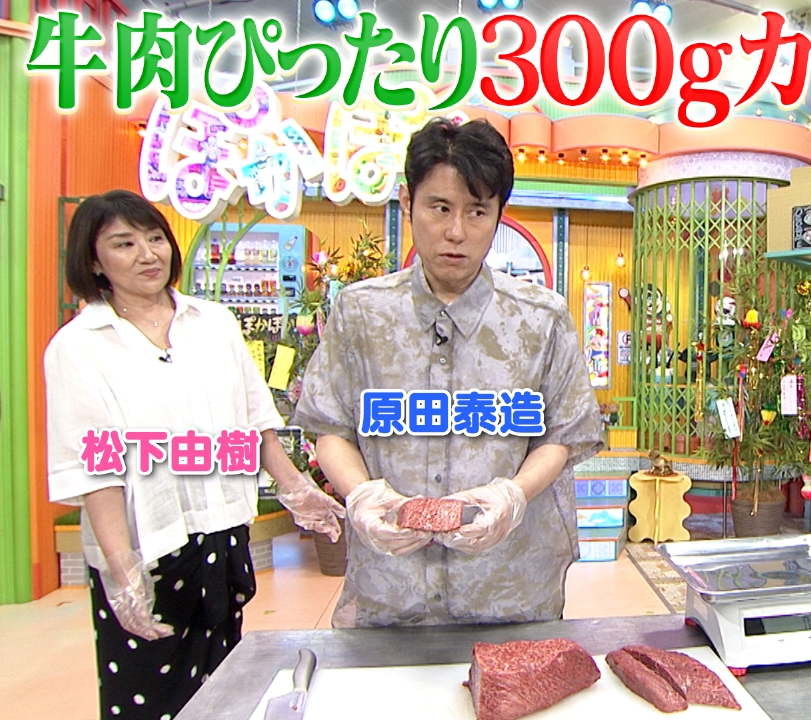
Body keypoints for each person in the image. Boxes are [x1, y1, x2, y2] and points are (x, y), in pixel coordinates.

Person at [45, 190, 344, 720]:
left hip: (218, 533)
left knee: (224, 688)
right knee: (149, 693)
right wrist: (122, 568)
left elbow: (253, 419)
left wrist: (297, 488)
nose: (147, 254)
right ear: (93, 260)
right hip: (145, 544)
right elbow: (95, 469)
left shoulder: (212, 322)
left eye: (155, 238)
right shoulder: (80, 345)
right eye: (124, 244)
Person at [293, 117, 602, 627]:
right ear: (407, 202)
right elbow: (330, 428)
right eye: (439, 208)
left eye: (477, 211)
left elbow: (563, 437)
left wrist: (512, 495)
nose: (456, 232)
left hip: (510, 588)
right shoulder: (362, 312)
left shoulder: (540, 318)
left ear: (498, 215)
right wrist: (362, 496)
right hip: (391, 590)